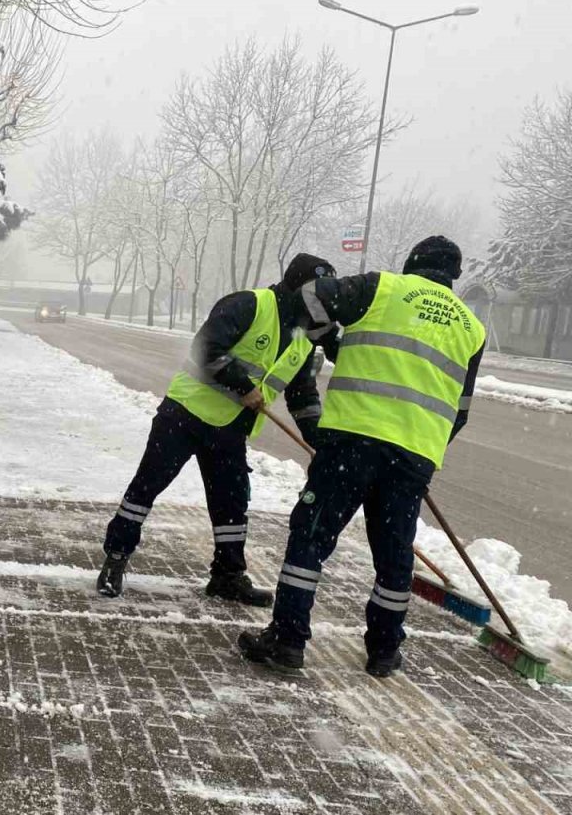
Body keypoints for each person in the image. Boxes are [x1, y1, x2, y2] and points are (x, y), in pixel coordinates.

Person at [238, 236, 485, 678]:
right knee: (394, 554)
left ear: (411, 263)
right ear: (453, 276)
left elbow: (310, 296)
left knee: (311, 538)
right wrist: (420, 447)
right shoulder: (471, 327)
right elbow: (460, 412)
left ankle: (288, 639)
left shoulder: (382, 288)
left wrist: (330, 338)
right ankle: (385, 650)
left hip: (352, 441)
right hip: (413, 455)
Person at [97, 254, 339, 605]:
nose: (324, 303)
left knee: (232, 502)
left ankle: (227, 576)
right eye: (320, 294)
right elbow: (206, 347)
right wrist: (242, 385)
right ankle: (115, 559)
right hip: (185, 415)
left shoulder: (303, 340)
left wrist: (319, 442)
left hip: (229, 430)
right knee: (146, 488)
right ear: (300, 288)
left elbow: (302, 396)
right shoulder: (250, 305)